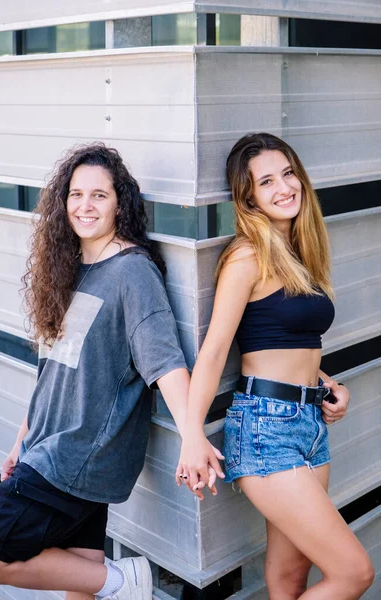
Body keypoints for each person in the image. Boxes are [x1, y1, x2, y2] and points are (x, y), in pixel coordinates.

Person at [0, 143, 190, 600]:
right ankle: (112, 584)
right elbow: (52, 374)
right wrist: (22, 439)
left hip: (79, 455)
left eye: (99, 195)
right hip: (54, 447)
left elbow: (165, 360)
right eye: (76, 194)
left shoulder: (133, 272)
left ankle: (127, 583)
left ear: (120, 203)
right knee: (81, 580)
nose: (85, 206)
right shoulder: (69, 271)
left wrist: (192, 436)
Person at [176, 133, 375, 599]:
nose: (285, 187)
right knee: (354, 573)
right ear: (249, 199)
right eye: (267, 182)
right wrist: (191, 434)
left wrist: (328, 385)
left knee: (289, 582)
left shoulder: (300, 254)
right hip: (266, 429)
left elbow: (289, 342)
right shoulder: (247, 256)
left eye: (288, 173)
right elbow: (215, 351)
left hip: (309, 422)